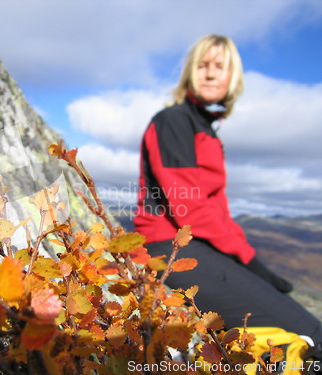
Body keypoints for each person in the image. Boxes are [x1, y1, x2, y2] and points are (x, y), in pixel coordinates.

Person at [133, 34, 322, 355]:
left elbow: (217, 210)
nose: (210, 73)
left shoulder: (205, 129)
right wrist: (251, 261)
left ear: (232, 77)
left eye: (220, 67)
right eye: (203, 65)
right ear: (190, 72)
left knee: (302, 323)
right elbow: (190, 207)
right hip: (168, 246)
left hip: (197, 245)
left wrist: (250, 260)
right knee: (310, 336)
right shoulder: (175, 121)